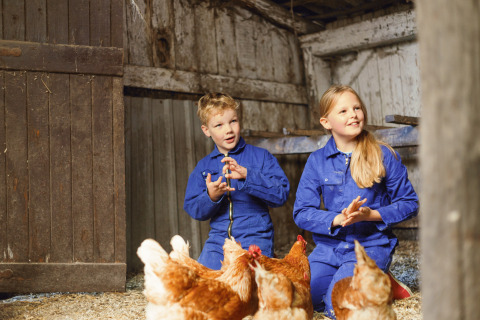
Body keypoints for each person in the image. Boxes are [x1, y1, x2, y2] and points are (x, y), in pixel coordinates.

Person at [293, 85, 418, 318]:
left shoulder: (383, 155)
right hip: (329, 249)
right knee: (303, 300)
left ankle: (377, 280)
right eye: (343, 111)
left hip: (369, 246)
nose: (353, 114)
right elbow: (301, 212)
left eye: (357, 108)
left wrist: (370, 215)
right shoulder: (317, 161)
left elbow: (409, 203)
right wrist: (337, 218)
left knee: (339, 306)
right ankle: (380, 284)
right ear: (326, 122)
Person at [184, 92, 290, 270]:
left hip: (255, 239)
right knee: (203, 285)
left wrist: (249, 176)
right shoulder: (204, 166)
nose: (229, 130)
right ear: (206, 130)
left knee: (250, 288)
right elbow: (194, 209)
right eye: (219, 125)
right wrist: (211, 196)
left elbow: (281, 194)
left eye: (233, 121)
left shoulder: (261, 157)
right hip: (219, 242)